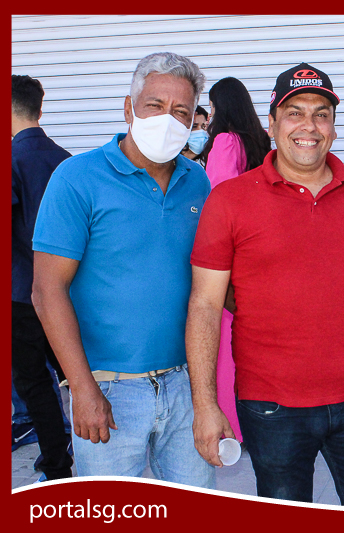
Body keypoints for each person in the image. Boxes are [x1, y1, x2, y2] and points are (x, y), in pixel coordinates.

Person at [186, 62, 344, 507]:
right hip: (272, 408)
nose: (309, 126)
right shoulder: (229, 200)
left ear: (333, 127)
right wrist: (206, 405)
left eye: (321, 114)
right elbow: (205, 305)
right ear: (271, 124)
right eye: (295, 113)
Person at [32, 52, 214, 488]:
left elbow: (208, 279)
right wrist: (82, 388)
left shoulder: (197, 181)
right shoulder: (76, 178)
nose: (168, 120)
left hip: (184, 383)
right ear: (129, 108)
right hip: (108, 389)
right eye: (155, 105)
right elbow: (47, 290)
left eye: (181, 111)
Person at [195, 77, 272, 442]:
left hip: (231, 252)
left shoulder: (225, 141)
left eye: (211, 107)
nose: (209, 115)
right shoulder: (259, 140)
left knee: (224, 339)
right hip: (258, 247)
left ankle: (232, 426)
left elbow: (218, 197)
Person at [12, 74, 74, 482]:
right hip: (68, 290)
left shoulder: (12, 159)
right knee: (76, 375)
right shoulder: (67, 160)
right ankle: (94, 453)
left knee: (34, 384)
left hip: (22, 292)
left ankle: (56, 468)